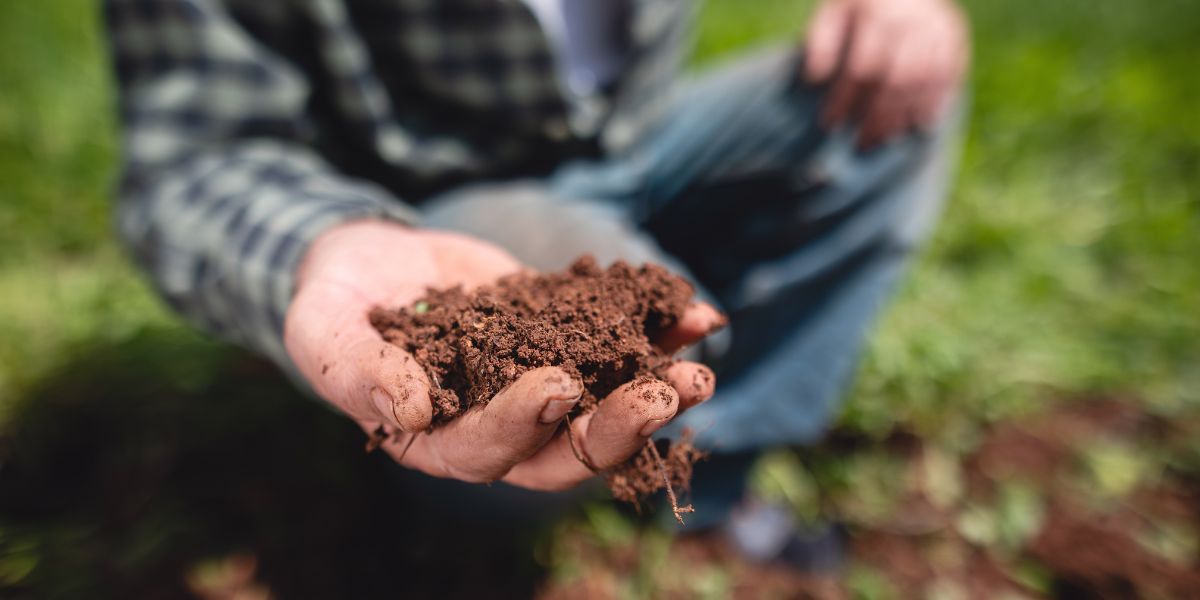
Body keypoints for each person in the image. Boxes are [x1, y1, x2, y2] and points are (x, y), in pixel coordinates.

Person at [104, 0, 968, 564]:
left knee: (889, 108)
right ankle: (461, 537)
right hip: (430, 210)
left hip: (637, 137)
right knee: (597, 365)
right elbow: (193, 163)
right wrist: (329, 240)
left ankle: (704, 479)